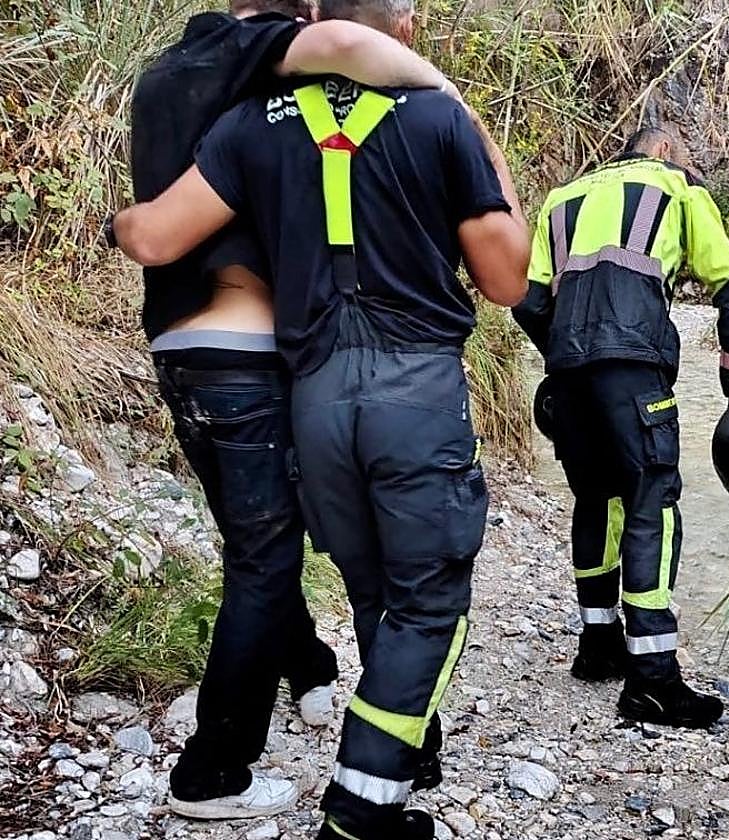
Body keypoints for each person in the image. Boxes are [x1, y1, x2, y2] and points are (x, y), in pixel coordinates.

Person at [109, 0, 530, 835]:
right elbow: (508, 280)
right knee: (427, 600)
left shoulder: (245, 124)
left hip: (313, 395)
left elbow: (155, 234)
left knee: (370, 582)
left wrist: (114, 218)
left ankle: (406, 749)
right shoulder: (440, 117)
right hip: (412, 388)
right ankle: (360, 808)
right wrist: (483, 145)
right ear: (397, 36)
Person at [513, 126, 729, 729]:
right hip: (634, 373)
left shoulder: (561, 199)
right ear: (663, 152)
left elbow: (526, 298)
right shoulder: (676, 189)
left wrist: (566, 351)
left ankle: (598, 645)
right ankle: (652, 679)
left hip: (569, 380)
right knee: (652, 501)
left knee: (595, 500)